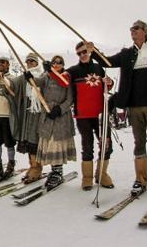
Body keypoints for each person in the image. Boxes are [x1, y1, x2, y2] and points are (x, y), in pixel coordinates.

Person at [86, 20, 147, 196]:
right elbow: (107, 62)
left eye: (135, 29)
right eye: (131, 29)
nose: (132, 31)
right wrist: (94, 51)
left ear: (145, 31)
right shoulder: (127, 54)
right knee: (139, 142)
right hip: (134, 106)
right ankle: (141, 179)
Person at [66, 41, 115, 191]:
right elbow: (60, 80)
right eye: (79, 53)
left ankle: (102, 174)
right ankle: (87, 178)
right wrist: (50, 70)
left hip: (101, 113)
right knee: (87, 146)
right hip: (83, 115)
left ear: (89, 51)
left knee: (106, 144)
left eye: (84, 52)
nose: (82, 55)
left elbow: (108, 85)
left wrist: (110, 82)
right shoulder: (73, 71)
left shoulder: (99, 67)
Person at [24, 55, 76, 189]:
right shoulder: (47, 76)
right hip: (47, 114)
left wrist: (60, 109)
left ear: (63, 65)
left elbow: (70, 99)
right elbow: (37, 82)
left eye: (60, 62)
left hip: (61, 116)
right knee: (50, 143)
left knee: (56, 144)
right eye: (54, 62)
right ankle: (54, 171)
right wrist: (29, 77)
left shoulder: (66, 77)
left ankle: (57, 172)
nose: (57, 64)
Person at [8, 53, 45, 184]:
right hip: (27, 112)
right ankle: (33, 165)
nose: (29, 63)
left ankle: (37, 168)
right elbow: (13, 83)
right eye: (28, 61)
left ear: (37, 62)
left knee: (35, 139)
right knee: (29, 139)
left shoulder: (42, 75)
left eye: (32, 61)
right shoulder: (24, 76)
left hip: (39, 112)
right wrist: (4, 80)